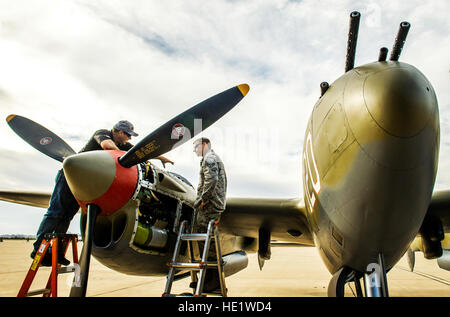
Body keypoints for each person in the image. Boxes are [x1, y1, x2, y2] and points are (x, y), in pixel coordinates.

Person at [31, 120, 173, 266]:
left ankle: (55, 253)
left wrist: (160, 157)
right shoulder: (102, 134)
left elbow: (140, 150)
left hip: (85, 184)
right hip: (70, 178)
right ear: (119, 132)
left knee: (66, 217)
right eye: (128, 135)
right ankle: (38, 250)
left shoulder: (123, 145)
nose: (129, 139)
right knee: (55, 213)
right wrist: (121, 154)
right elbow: (107, 146)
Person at [191, 137, 227, 292]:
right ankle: (208, 280)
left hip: (210, 206)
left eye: (196, 147)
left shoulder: (209, 159)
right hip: (214, 204)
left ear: (204, 145)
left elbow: (211, 180)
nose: (195, 150)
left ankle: (211, 282)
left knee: (206, 243)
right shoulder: (213, 158)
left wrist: (203, 200)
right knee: (208, 242)